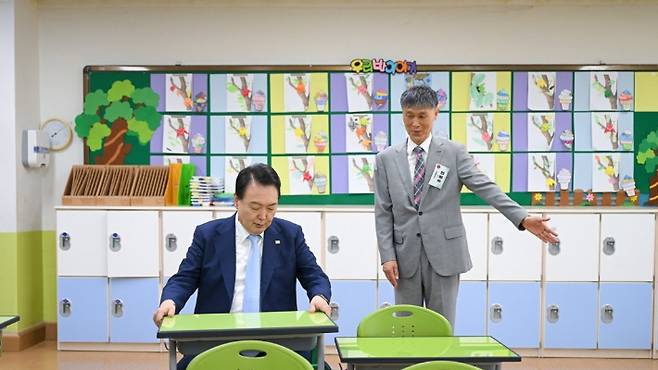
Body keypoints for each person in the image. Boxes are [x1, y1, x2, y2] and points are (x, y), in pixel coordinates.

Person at [374, 85, 559, 326]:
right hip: (404, 256)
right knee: (407, 326)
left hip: (445, 254)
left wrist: (522, 218)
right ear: (402, 114)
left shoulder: (453, 153)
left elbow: (485, 187)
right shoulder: (386, 159)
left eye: (422, 116)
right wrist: (387, 256)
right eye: (410, 116)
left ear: (435, 113)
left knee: (441, 325)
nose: (416, 123)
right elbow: (383, 211)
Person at [153, 163, 331, 370]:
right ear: (236, 201)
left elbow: (314, 275)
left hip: (279, 341)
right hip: (217, 341)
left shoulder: (290, 235)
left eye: (271, 208)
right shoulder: (208, 235)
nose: (264, 216)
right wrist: (170, 301)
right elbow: (184, 278)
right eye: (255, 207)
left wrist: (319, 296)